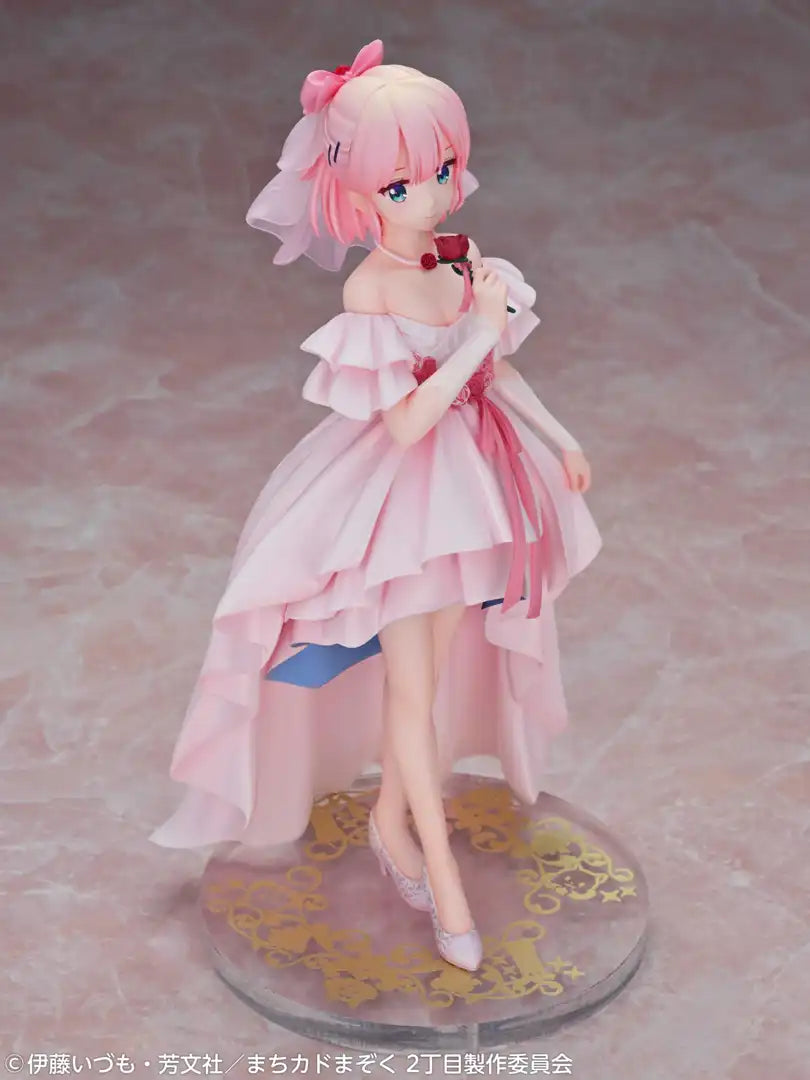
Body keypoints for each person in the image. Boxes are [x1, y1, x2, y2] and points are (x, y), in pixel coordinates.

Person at [150, 39, 602, 972]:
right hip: (400, 507)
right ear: (356, 191)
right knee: (409, 691)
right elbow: (405, 421)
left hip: (470, 493)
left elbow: (499, 371)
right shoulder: (371, 287)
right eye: (400, 184)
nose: (428, 197)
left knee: (426, 685)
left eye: (440, 170)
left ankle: (391, 825)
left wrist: (560, 437)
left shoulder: (460, 261)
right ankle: (441, 879)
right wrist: (476, 336)